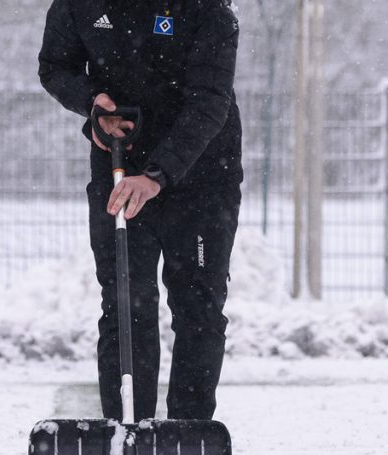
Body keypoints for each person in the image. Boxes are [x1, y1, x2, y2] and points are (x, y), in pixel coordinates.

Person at [38, 0, 243, 422]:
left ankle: (188, 435)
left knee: (198, 307)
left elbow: (209, 101)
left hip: (202, 178)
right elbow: (55, 67)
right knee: (125, 305)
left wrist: (156, 174)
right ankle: (125, 433)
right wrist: (94, 103)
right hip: (118, 169)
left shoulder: (211, 10)